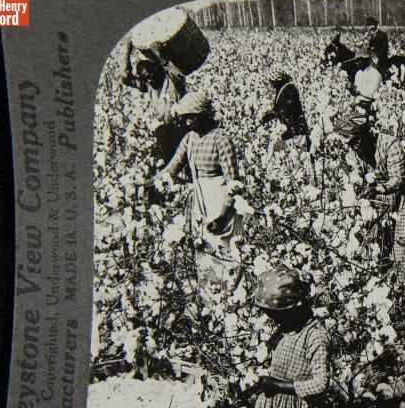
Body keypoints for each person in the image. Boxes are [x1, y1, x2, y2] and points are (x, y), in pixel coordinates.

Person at [240, 268, 330, 408]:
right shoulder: (285, 331)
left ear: (295, 309)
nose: (273, 320)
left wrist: (279, 386)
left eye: (277, 315)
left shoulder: (315, 336)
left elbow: (321, 384)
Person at [334, 113, 405, 276]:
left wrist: (376, 189)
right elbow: (358, 172)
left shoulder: (389, 144)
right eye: (350, 144)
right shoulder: (357, 150)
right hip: (384, 198)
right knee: (378, 243)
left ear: (365, 133)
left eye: (356, 141)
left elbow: (398, 180)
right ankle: (385, 280)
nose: (354, 146)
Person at [159, 92, 241, 252]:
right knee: (203, 246)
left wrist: (223, 216)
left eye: (192, 117)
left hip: (219, 201)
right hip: (199, 200)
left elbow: (233, 183)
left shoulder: (221, 139)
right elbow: (174, 165)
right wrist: (156, 182)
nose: (188, 122)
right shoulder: (190, 138)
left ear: (204, 115)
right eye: (185, 118)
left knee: (223, 247)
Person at [120, 40, 187, 165]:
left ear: (156, 70)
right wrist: (127, 52)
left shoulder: (172, 80)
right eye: (147, 78)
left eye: (151, 75)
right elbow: (125, 77)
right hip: (167, 131)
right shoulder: (150, 86)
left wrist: (160, 55)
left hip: (183, 127)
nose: (150, 79)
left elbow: (178, 72)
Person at [259, 69, 310, 151]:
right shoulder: (281, 90)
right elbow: (278, 109)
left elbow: (289, 108)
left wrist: (275, 114)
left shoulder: (289, 89)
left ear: (277, 81)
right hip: (290, 130)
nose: (271, 84)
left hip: (296, 131)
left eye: (272, 82)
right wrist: (267, 117)